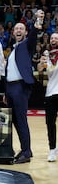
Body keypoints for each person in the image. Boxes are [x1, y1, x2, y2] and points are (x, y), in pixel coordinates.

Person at [5, 9, 44, 164]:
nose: (19, 30)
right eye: (16, 29)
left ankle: (26, 152)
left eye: (21, 28)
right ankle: (25, 149)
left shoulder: (27, 45)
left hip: (20, 86)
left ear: (25, 33)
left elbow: (35, 32)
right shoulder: (13, 49)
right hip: (10, 87)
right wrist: (5, 91)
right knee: (15, 120)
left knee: (20, 119)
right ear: (13, 33)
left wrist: (38, 20)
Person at [37, 32, 58, 162]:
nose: (54, 39)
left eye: (56, 38)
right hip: (50, 93)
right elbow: (39, 69)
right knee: (50, 123)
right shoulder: (47, 56)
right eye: (52, 38)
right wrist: (41, 62)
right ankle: (52, 149)